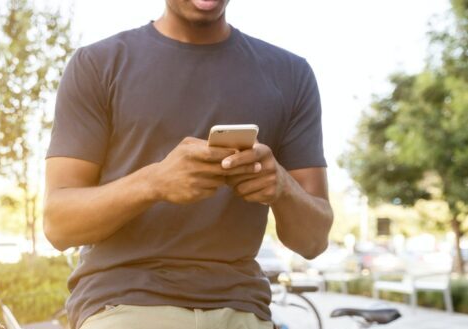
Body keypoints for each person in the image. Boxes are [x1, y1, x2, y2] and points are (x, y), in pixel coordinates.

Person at [43, 0, 333, 328]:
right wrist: (153, 183)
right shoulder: (97, 64)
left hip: (241, 308)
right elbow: (58, 225)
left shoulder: (291, 75)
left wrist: (282, 188)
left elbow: (313, 242)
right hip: (125, 302)